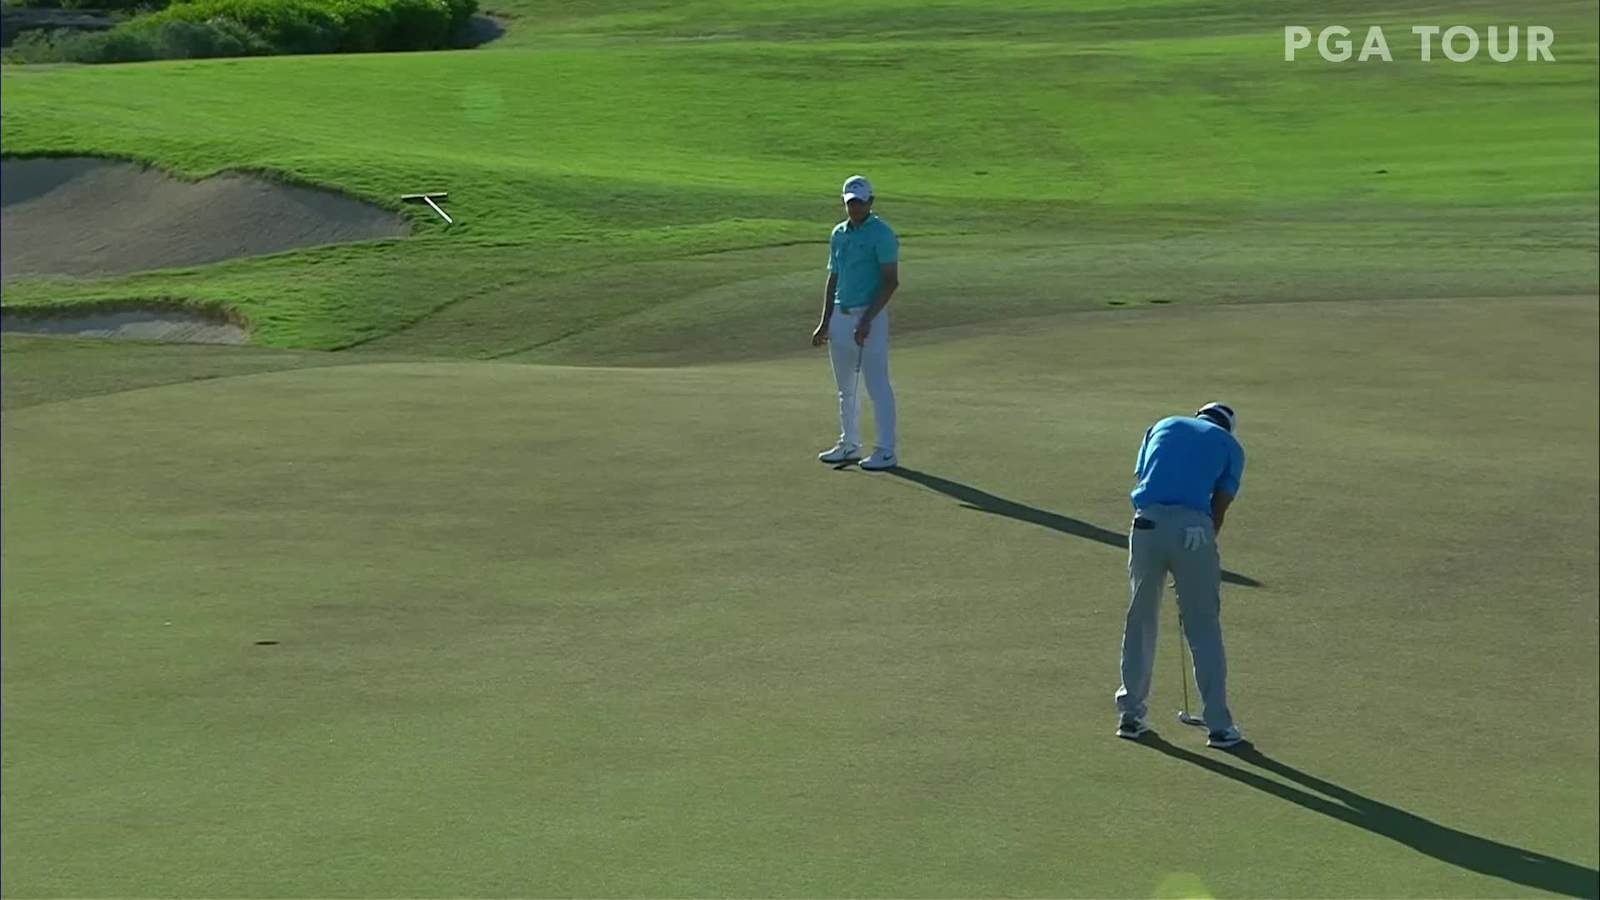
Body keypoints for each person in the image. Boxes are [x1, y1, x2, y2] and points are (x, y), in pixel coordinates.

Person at [1115, 402, 1246, 748]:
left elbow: (1145, 475)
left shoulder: (1162, 423)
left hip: (1145, 525)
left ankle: (1131, 716)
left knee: (1140, 618)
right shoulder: (1231, 446)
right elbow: (1218, 508)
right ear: (1228, 426)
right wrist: (1194, 558)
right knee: (1203, 626)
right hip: (1194, 530)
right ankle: (1219, 726)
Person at [811, 175, 900, 470]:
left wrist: (867, 320)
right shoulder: (839, 234)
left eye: (860, 203)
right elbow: (833, 277)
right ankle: (849, 444)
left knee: (877, 385)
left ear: (870, 202)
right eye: (850, 203)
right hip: (841, 313)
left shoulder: (882, 234)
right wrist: (825, 322)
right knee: (845, 387)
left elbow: (890, 281)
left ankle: (886, 450)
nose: (854, 208)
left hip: (870, 315)